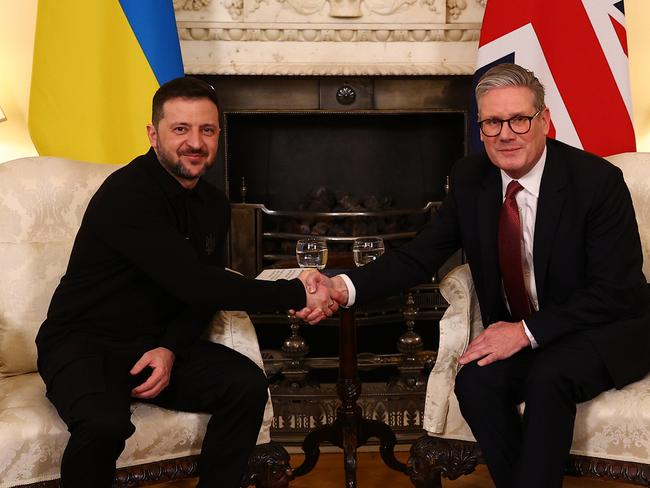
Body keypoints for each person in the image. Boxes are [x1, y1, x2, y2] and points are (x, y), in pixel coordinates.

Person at [299, 63, 650, 487]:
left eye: (519, 119)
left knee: (549, 376)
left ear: (545, 121)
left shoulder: (597, 182)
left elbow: (616, 292)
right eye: (492, 122)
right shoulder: (470, 179)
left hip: (607, 328)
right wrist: (342, 285)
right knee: (475, 383)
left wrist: (523, 332)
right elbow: (418, 255)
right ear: (480, 128)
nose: (506, 133)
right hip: (532, 333)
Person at [36, 76, 342, 488]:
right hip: (83, 342)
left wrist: (169, 348)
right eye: (180, 129)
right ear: (153, 133)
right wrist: (298, 291)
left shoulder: (213, 203)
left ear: (218, 135)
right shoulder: (127, 194)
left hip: (152, 343)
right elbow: (197, 284)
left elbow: (200, 295)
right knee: (104, 425)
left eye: (207, 130)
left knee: (246, 386)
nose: (194, 142)